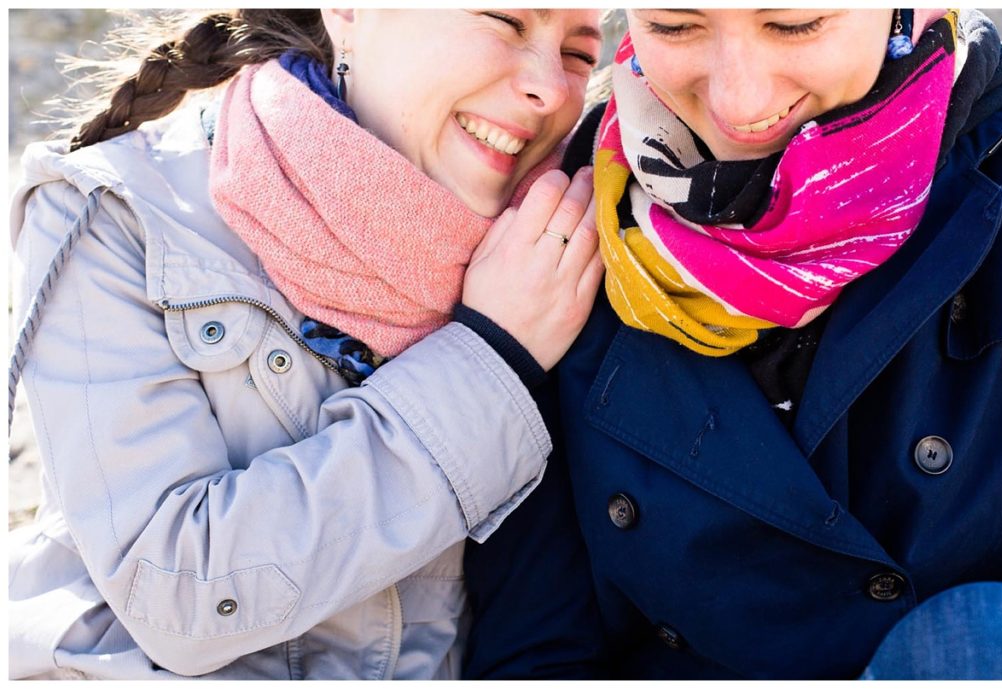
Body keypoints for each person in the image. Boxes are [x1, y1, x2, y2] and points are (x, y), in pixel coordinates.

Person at [7, 8, 604, 679]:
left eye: (580, 55)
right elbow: (176, 595)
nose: (552, 89)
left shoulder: (555, 259)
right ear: (350, 13)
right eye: (505, 20)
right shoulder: (111, 214)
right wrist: (490, 359)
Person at [463, 8, 1002, 680]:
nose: (738, 101)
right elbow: (536, 650)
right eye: (674, 26)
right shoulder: (566, 223)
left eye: (795, 24)